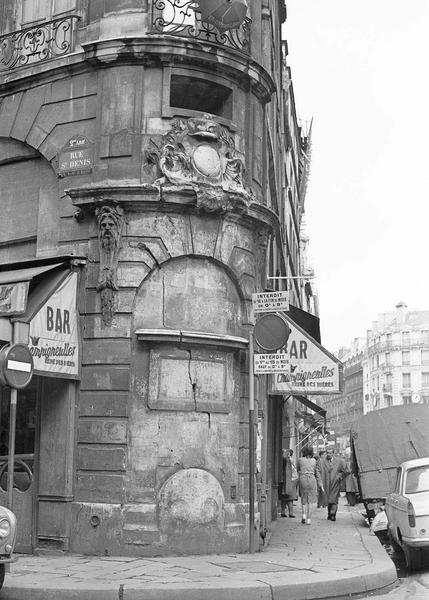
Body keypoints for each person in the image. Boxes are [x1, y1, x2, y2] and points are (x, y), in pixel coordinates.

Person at [318, 447, 348, 521]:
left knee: (334, 500)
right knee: (328, 500)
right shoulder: (322, 461)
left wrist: (340, 477)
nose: (329, 454)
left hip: (335, 483)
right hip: (326, 483)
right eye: (327, 453)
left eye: (330, 453)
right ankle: (329, 514)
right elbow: (318, 470)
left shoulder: (339, 461)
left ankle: (333, 514)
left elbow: (346, 471)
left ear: (333, 453)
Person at [297, 446, 323, 525]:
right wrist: (320, 484)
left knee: (303, 499)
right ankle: (308, 519)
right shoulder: (314, 460)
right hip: (311, 478)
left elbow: (298, 469)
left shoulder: (300, 460)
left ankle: (303, 515)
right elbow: (317, 472)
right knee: (311, 501)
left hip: (303, 479)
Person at [279, 449, 298, 517]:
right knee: (290, 498)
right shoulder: (289, 461)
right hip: (290, 481)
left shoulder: (283, 461)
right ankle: (290, 512)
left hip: (284, 481)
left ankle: (283, 512)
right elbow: (294, 472)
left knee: (284, 498)